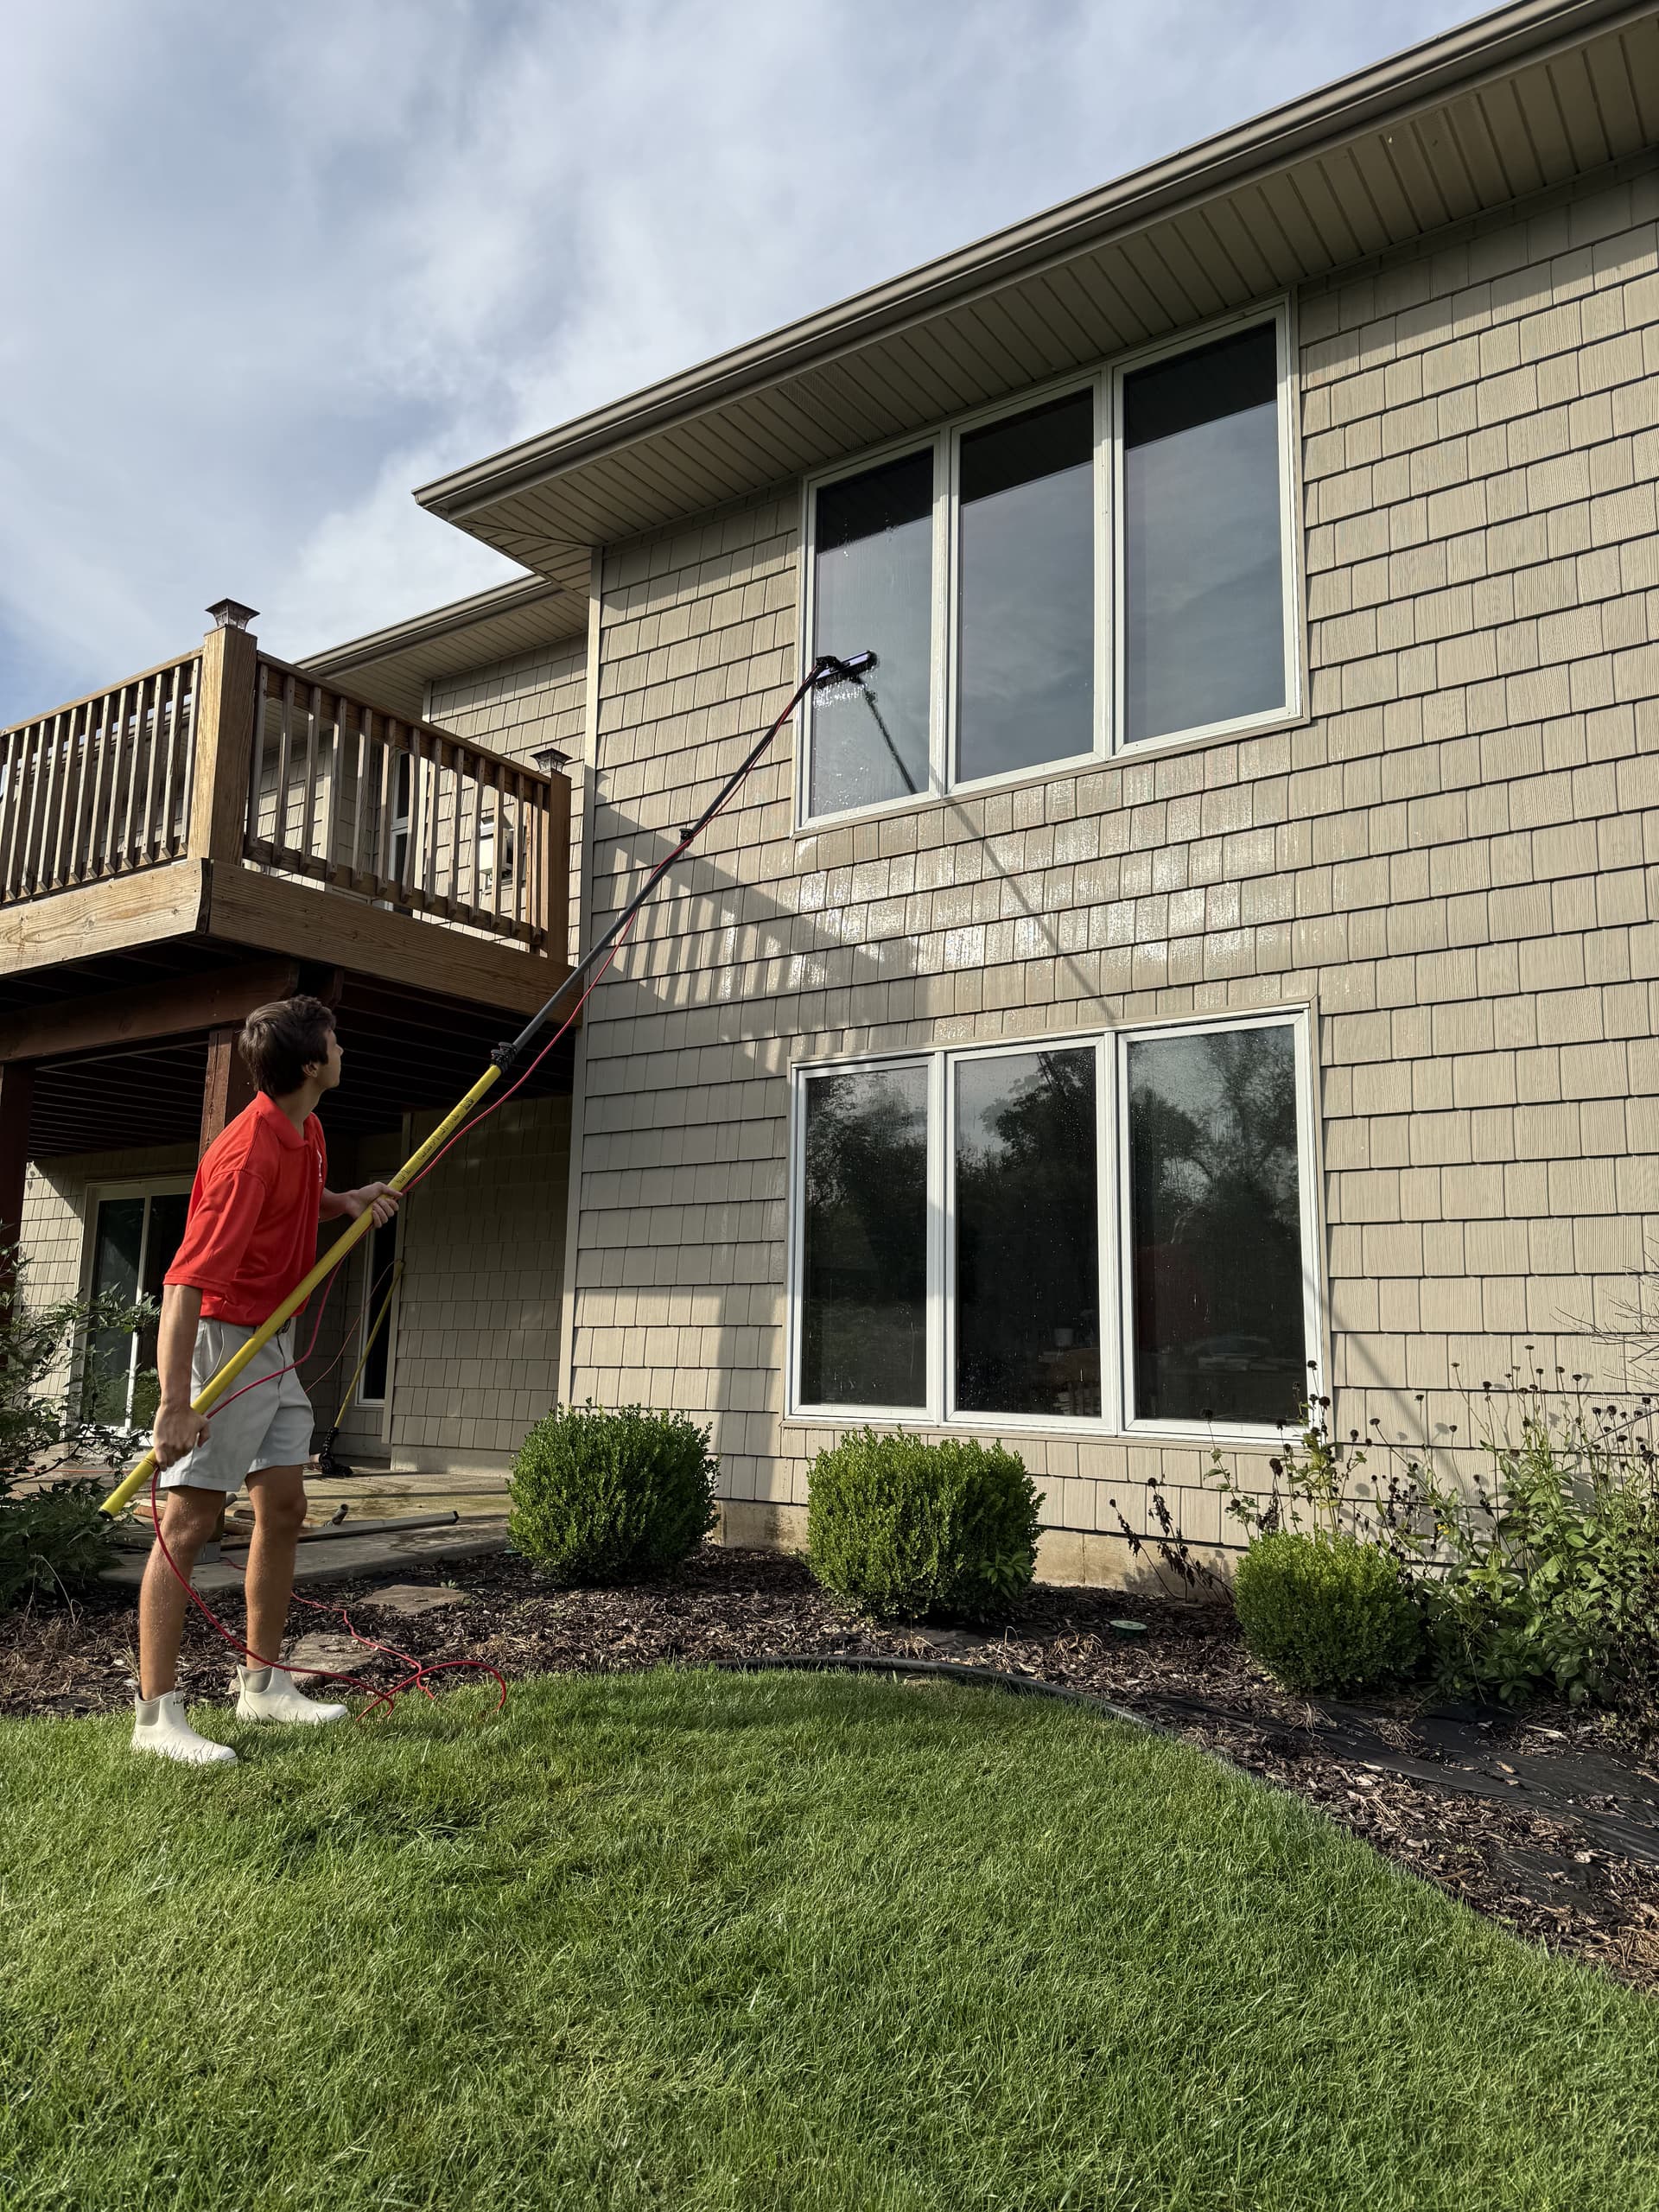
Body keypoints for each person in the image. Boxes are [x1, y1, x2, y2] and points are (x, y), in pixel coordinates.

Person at [131, 995, 400, 1766]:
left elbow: (293, 1202)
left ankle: (262, 1686)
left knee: (283, 1506)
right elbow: (183, 1284)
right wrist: (174, 1405)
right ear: (311, 1065)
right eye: (336, 1041)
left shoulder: (305, 1127)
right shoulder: (245, 1151)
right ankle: (156, 1717)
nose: (343, 1048)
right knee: (187, 1525)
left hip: (273, 1343)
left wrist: (344, 1201)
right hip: (224, 1345)